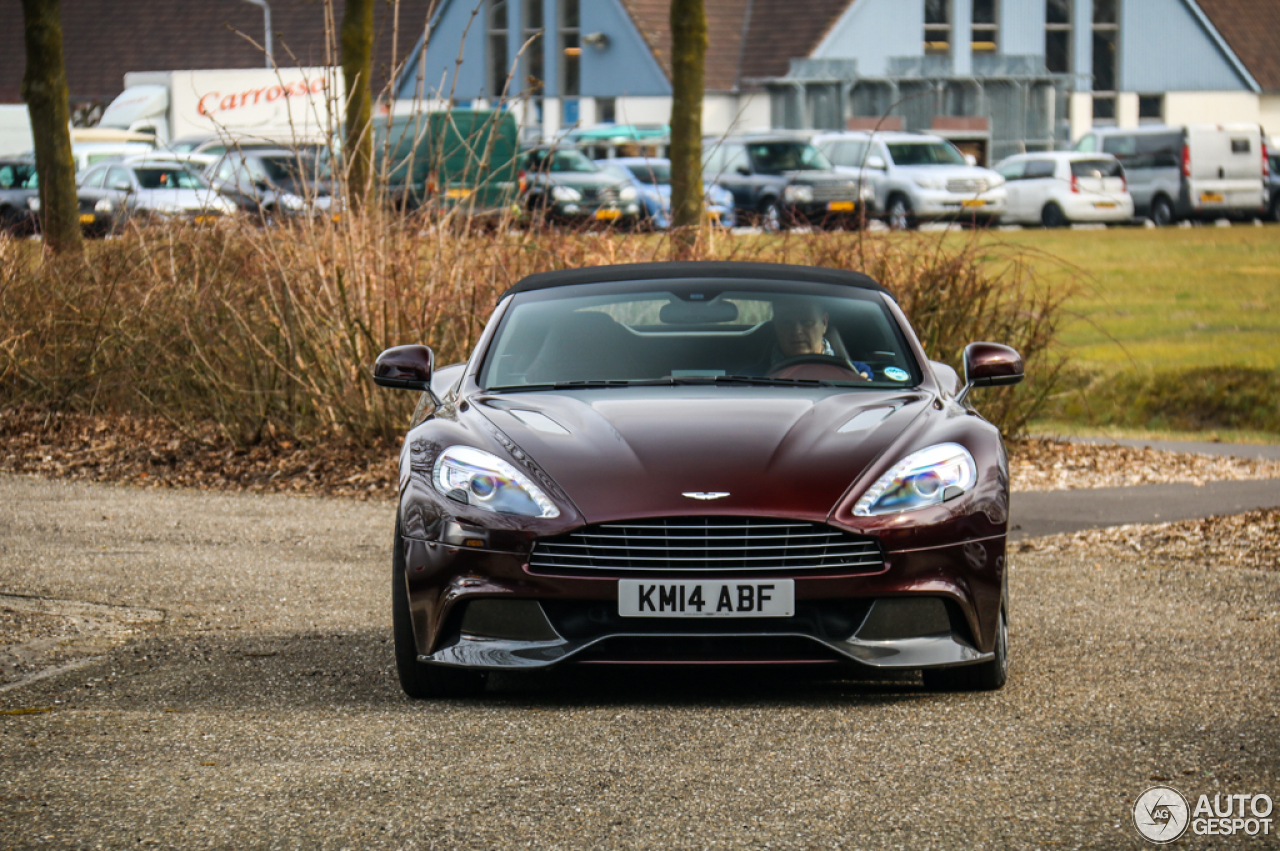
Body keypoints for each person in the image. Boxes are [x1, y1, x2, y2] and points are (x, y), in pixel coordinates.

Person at [739, 296, 871, 379]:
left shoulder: (858, 374)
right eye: (786, 322)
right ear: (776, 326)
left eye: (807, 322)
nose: (797, 330)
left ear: (824, 323)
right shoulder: (751, 378)